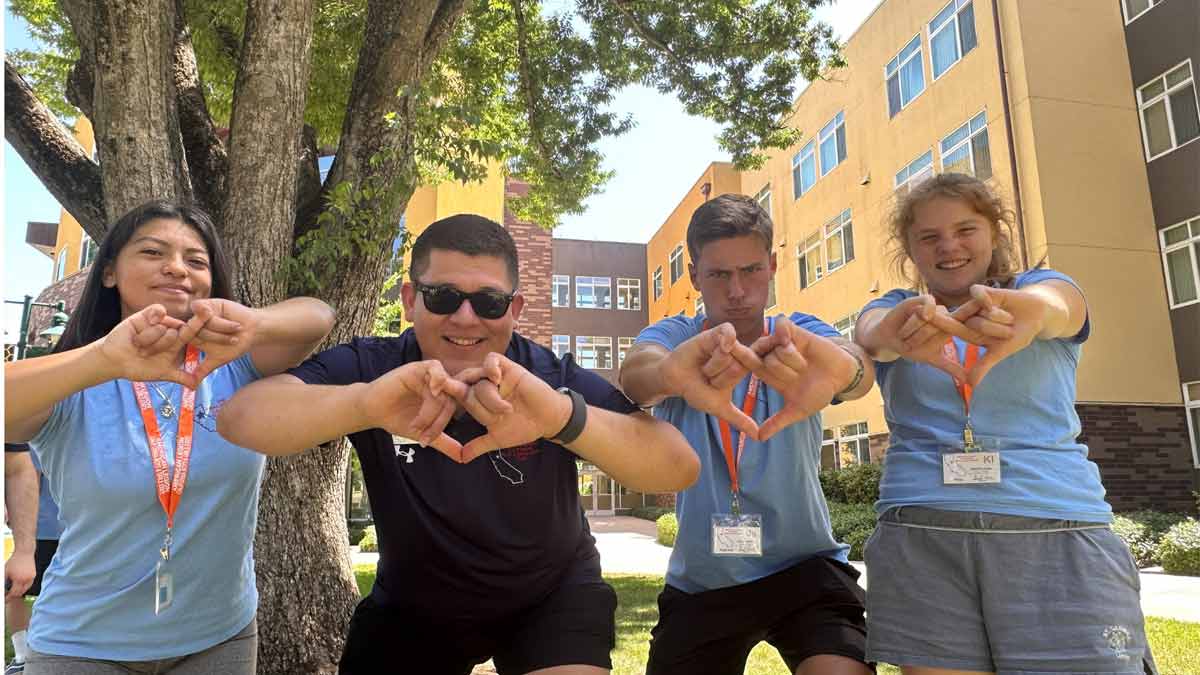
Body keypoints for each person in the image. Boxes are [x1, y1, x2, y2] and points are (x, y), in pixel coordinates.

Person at [218, 213, 700, 675]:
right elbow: (241, 419)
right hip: (414, 602)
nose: (466, 318)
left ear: (514, 310)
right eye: (444, 297)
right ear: (409, 300)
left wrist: (559, 417)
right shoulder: (374, 366)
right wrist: (364, 405)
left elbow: (677, 467)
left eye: (489, 302)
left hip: (551, 594)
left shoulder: (550, 376)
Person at [4, 200, 335, 674]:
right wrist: (103, 360)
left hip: (220, 636)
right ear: (109, 273)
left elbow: (318, 314)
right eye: (153, 252)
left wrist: (254, 324)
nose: (177, 269)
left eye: (196, 261)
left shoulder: (236, 365)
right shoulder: (73, 379)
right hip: (83, 644)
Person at [853, 172, 1156, 675]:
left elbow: (1062, 308)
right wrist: (895, 331)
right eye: (929, 237)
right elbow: (872, 336)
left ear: (994, 231)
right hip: (925, 533)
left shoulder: (1042, 287)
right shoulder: (893, 310)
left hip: (1055, 529)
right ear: (909, 248)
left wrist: (1032, 315)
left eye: (965, 229)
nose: (948, 247)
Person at [619, 193, 876, 675]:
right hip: (704, 581)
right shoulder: (676, 336)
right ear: (694, 274)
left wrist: (843, 371)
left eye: (751, 270)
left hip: (806, 569)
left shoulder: (796, 332)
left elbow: (855, 364)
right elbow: (636, 374)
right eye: (719, 275)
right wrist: (674, 374)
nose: (737, 290)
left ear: (774, 265)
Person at [5, 444, 64, 675]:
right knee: (16, 589)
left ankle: (23, 654)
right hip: (45, 528)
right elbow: (26, 472)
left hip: (53, 527)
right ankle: (22, 655)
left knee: (17, 590)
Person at [5, 443, 39, 675]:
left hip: (62, 527)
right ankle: (21, 656)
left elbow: (19, 467)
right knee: (16, 591)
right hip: (35, 528)